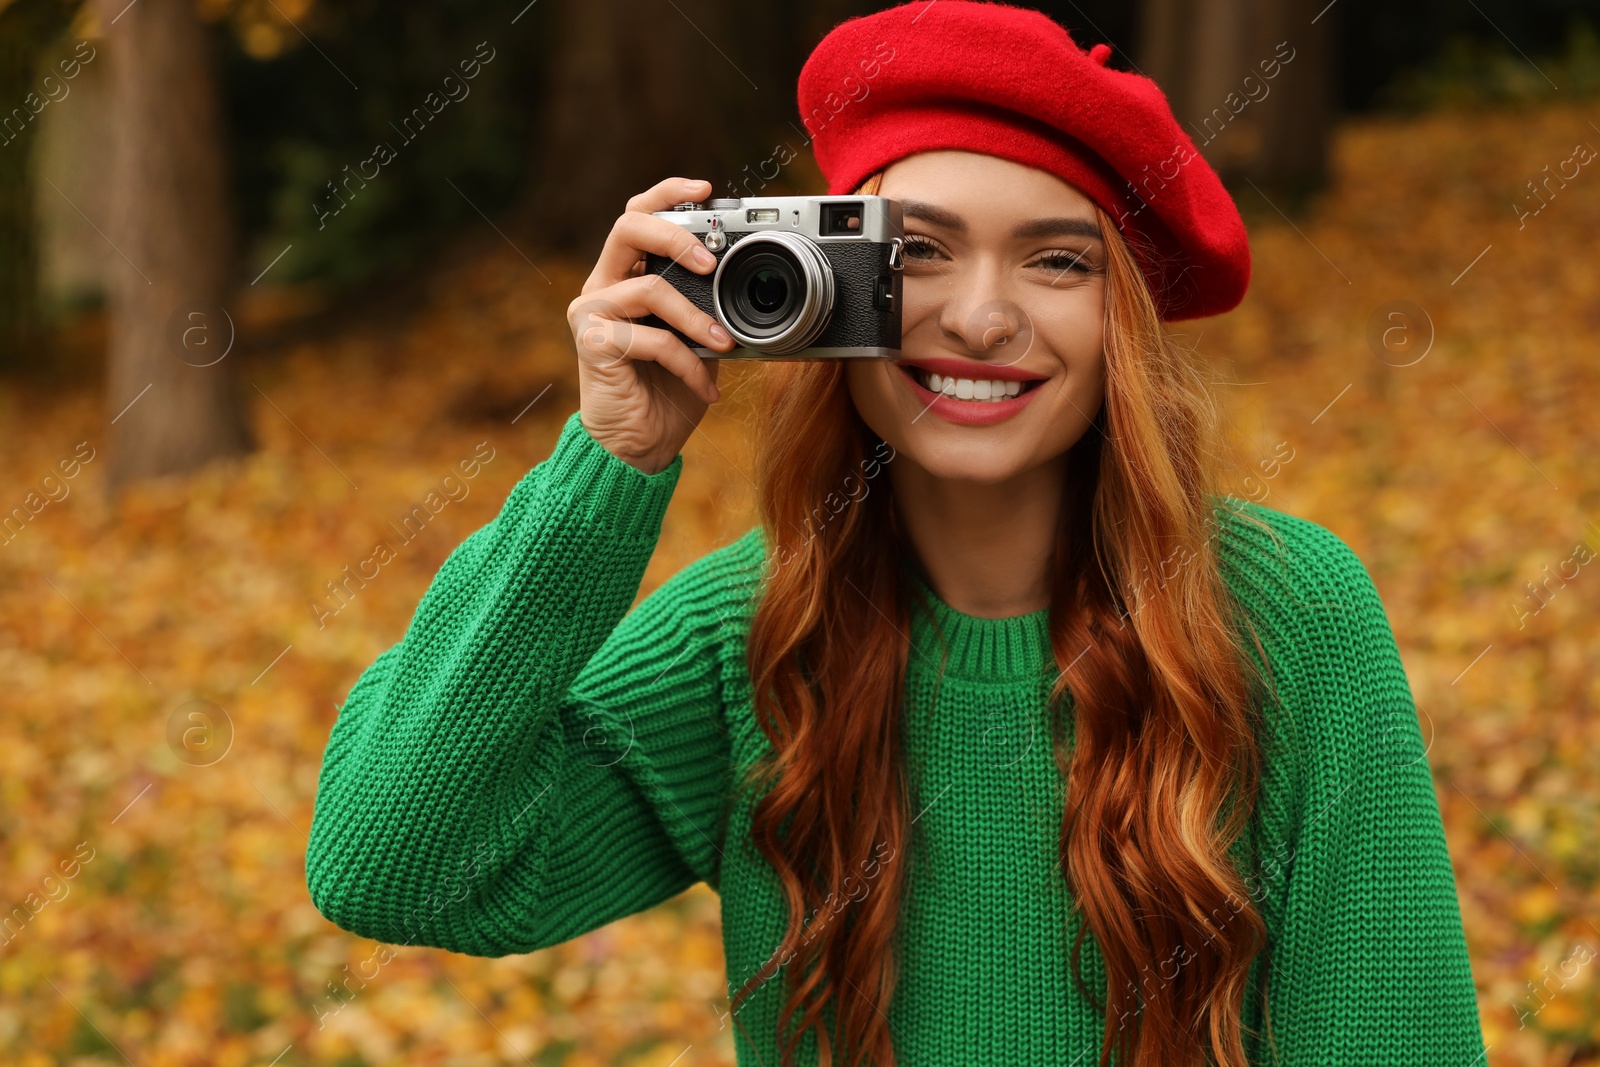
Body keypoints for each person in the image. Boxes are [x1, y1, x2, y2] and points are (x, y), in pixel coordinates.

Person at [304, 3, 1487, 1065]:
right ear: (817, 293)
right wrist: (609, 462)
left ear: (1121, 318)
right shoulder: (747, 635)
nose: (978, 317)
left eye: (1058, 260)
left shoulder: (1284, 612)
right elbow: (391, 864)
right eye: (914, 253)